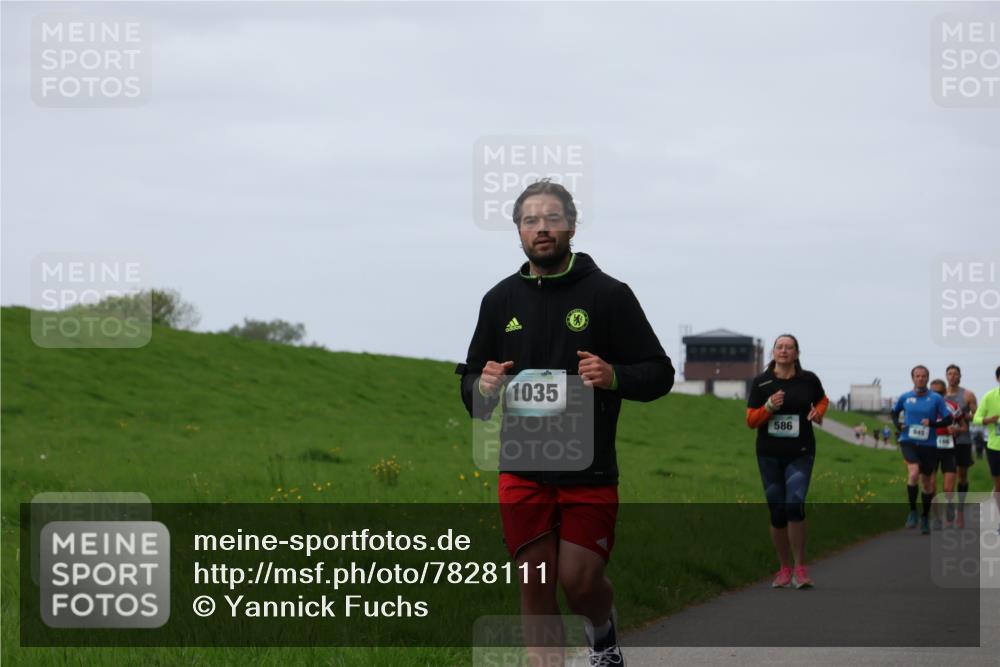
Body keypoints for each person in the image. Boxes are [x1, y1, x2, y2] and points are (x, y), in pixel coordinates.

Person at [458, 179, 674, 665]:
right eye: (530, 220)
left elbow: (660, 373)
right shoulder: (499, 301)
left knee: (579, 581)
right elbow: (472, 386)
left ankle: (602, 634)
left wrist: (614, 375)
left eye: (551, 218)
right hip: (522, 469)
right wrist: (482, 387)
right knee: (535, 585)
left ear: (571, 226)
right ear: (517, 230)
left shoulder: (609, 295)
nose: (541, 228)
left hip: (589, 470)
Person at [746, 334, 829, 589]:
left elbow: (823, 400)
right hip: (769, 453)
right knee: (778, 511)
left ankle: (801, 568)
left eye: (789, 347)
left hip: (801, 451)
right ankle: (784, 568)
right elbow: (751, 421)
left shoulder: (808, 380)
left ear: (797, 353)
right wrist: (768, 407)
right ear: (773, 352)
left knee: (795, 504)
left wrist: (819, 412)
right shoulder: (761, 383)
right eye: (779, 347)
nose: (784, 351)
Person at [891, 366, 954, 535]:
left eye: (923, 376)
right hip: (908, 441)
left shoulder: (935, 399)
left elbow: (949, 419)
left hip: (929, 444)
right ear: (912, 378)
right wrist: (898, 425)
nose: (920, 379)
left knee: (927, 484)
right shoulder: (905, 397)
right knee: (913, 473)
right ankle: (912, 512)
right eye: (917, 376)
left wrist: (932, 424)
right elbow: (894, 412)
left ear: (927, 378)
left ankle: (925, 517)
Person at [945, 365, 978, 528]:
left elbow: (977, 416)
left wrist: (961, 415)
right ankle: (950, 510)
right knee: (948, 477)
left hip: (963, 440)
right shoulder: (940, 395)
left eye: (955, 374)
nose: (952, 376)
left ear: (960, 376)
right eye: (949, 374)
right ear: (946, 376)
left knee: (962, 476)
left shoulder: (967, 395)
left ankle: (960, 511)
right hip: (944, 441)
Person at [929, 379, 961, 529]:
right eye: (933, 392)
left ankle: (949, 506)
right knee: (932, 486)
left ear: (944, 393)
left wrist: (956, 430)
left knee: (948, 488)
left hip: (948, 449)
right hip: (930, 449)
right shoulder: (925, 407)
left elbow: (964, 427)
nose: (937, 395)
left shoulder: (953, 407)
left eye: (940, 393)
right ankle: (936, 518)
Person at [972, 365, 1000, 535]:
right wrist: (987, 420)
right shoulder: (990, 397)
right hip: (995, 446)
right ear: (998, 379)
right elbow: (976, 418)